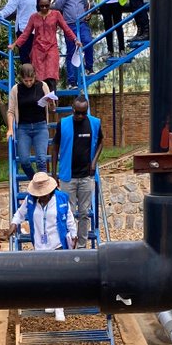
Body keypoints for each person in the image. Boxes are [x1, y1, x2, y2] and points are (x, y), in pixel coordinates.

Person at [51, 97, 103, 249]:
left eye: (83, 113)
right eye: (77, 113)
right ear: (72, 109)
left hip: (86, 176)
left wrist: (94, 162)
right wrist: (53, 174)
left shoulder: (94, 123)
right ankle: (69, 244)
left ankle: (81, 245)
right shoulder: (64, 123)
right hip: (68, 177)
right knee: (69, 213)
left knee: (84, 213)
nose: (80, 116)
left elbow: (101, 141)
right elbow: (55, 147)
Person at [9, 0, 77, 87]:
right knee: (38, 78)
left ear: (50, 5)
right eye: (42, 6)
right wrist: (15, 44)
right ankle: (40, 101)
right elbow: (26, 33)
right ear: (38, 5)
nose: (44, 8)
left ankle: (52, 100)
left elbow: (66, 28)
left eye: (47, 6)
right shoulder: (33, 17)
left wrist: (75, 39)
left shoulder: (56, 14)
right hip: (38, 50)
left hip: (51, 48)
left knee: (51, 76)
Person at [7, 63, 57, 179]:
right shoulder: (16, 89)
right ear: (21, 78)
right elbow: (10, 111)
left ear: (35, 76)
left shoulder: (43, 86)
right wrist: (10, 129)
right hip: (24, 128)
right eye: (26, 80)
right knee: (24, 160)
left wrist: (51, 102)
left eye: (31, 80)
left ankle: (44, 188)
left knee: (41, 160)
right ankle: (35, 181)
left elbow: (53, 109)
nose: (28, 83)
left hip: (40, 126)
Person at [8, 170, 77, 251]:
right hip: (39, 246)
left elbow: (69, 218)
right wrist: (14, 223)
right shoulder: (30, 200)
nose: (41, 196)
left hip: (58, 245)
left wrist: (73, 234)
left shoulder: (61, 199)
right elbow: (20, 213)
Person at [53, 0, 94, 87]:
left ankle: (89, 68)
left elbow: (86, 4)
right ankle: (72, 81)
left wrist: (88, 13)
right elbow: (58, 5)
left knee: (88, 42)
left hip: (82, 22)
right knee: (72, 51)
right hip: (69, 24)